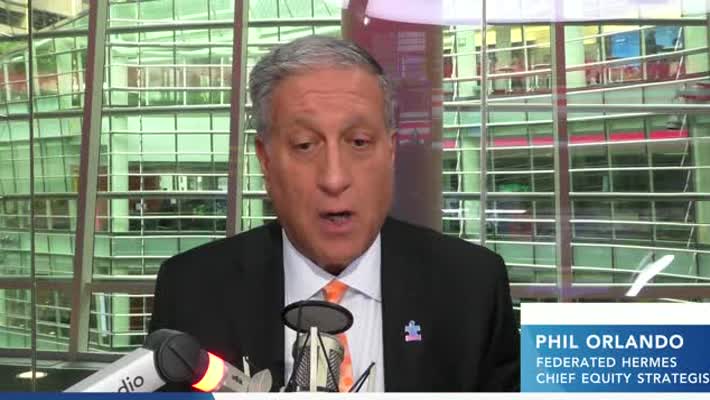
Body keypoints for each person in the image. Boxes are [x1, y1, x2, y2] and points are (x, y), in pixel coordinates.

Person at [149, 35, 520, 392]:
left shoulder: (471, 288)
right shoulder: (192, 291)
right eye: (305, 145)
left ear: (390, 152)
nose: (334, 178)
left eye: (359, 142)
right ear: (265, 160)